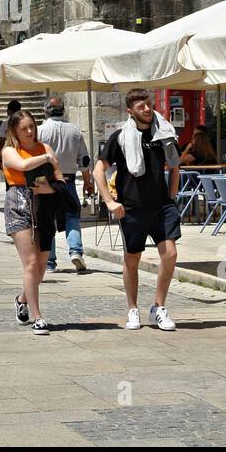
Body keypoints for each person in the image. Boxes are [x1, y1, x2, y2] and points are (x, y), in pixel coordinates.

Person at [93, 89, 181, 333]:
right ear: (130, 111)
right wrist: (110, 201)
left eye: (148, 104)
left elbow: (175, 167)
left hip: (161, 206)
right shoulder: (120, 138)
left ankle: (158, 306)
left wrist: (171, 198)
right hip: (132, 207)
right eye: (141, 106)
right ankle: (133, 308)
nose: (147, 109)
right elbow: (98, 170)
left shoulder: (163, 134)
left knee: (170, 254)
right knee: (132, 259)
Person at [2, 109, 64, 335]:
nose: (29, 131)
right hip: (18, 205)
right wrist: (47, 158)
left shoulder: (44, 147)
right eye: (24, 128)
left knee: (40, 267)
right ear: (15, 132)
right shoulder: (9, 150)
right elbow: (23, 166)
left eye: (32, 126)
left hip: (43, 205)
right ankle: (38, 317)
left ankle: (21, 299)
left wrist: (51, 187)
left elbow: (59, 177)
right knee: (30, 263)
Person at [39, 96, 92, 274]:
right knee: (72, 217)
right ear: (64, 110)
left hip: (46, 180)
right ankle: (76, 251)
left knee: (48, 220)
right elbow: (84, 159)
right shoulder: (75, 131)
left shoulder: (41, 131)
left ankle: (49, 261)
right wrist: (87, 181)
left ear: (46, 110)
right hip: (68, 180)